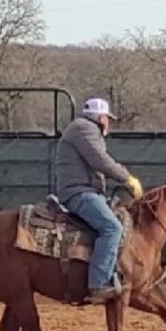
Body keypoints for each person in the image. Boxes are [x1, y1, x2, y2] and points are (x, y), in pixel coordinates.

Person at [53, 97, 143, 304]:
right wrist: (127, 178)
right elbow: (100, 161)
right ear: (101, 118)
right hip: (80, 193)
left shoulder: (83, 129)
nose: (109, 123)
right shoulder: (84, 129)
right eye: (108, 118)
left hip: (85, 191)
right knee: (112, 228)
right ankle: (99, 283)